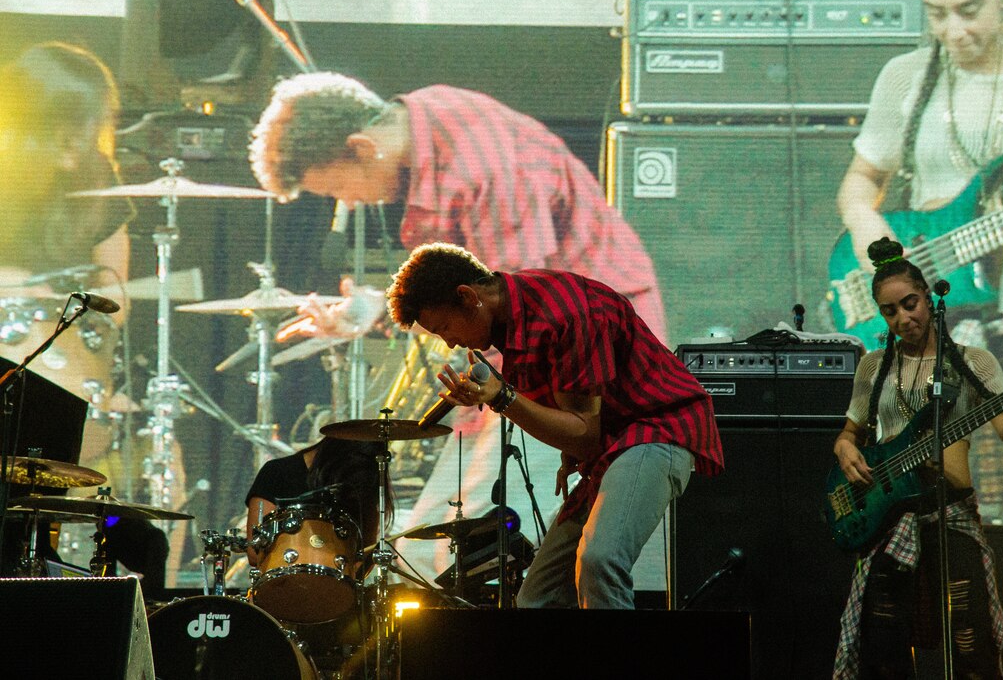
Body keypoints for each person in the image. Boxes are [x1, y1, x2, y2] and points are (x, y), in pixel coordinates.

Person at [247, 72, 671, 584]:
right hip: (537, 353)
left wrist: (487, 396)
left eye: (339, 188)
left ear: (361, 147)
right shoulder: (427, 118)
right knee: (434, 542)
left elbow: (520, 307)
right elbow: (471, 295)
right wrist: (376, 312)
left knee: (490, 547)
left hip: (580, 358)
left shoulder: (484, 169)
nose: (352, 203)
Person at [835, 0, 1003, 580]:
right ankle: (978, 596)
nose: (952, 31)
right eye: (936, 14)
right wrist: (890, 257)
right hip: (946, 308)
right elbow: (858, 187)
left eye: (969, 11)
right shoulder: (907, 76)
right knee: (967, 467)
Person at [384, 242, 723, 609]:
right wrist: (565, 449)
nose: (449, 342)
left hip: (657, 428)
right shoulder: (515, 316)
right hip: (613, 447)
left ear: (468, 297)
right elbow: (577, 421)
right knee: (537, 596)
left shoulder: (564, 314)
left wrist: (502, 398)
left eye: (445, 328)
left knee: (601, 561)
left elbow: (584, 432)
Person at [832, 237, 1003, 678]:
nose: (904, 317)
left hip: (951, 514)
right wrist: (845, 448)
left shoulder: (972, 364)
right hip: (889, 519)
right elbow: (850, 433)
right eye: (890, 311)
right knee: (882, 644)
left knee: (971, 638)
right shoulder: (872, 366)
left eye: (910, 303)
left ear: (929, 297)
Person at [0, 42, 140, 577]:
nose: (86, 139)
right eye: (78, 124)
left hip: (71, 360)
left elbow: (115, 290)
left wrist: (91, 359)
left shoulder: (98, 172)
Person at [245, 436, 383, 570]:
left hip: (336, 589)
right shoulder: (276, 472)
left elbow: (365, 552)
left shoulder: (359, 486)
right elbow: (254, 552)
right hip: (282, 586)